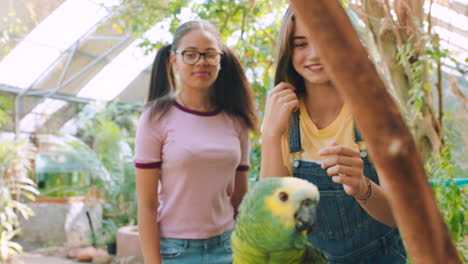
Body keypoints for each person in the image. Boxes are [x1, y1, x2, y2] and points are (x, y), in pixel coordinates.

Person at [260, 7, 407, 264]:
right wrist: (270, 134)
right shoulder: (283, 115)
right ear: (288, 50)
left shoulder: (377, 110)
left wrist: (361, 188)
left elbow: (402, 214)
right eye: (301, 44)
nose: (315, 54)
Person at [134, 20, 258, 264]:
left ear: (220, 60)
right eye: (190, 54)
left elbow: (241, 198)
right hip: (175, 252)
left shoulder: (236, 120)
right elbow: (146, 205)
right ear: (174, 60)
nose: (201, 62)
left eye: (210, 54)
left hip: (229, 247)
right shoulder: (155, 117)